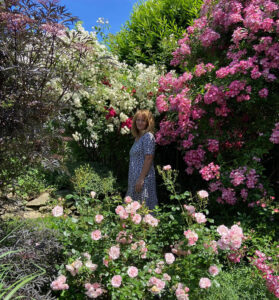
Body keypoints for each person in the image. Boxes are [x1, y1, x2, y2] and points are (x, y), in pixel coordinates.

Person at [126, 109, 158, 210]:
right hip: (134, 178)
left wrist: (141, 179)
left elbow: (149, 158)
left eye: (143, 120)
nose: (140, 122)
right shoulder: (138, 137)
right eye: (138, 120)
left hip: (143, 179)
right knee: (134, 207)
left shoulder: (148, 137)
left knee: (143, 206)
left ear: (148, 122)